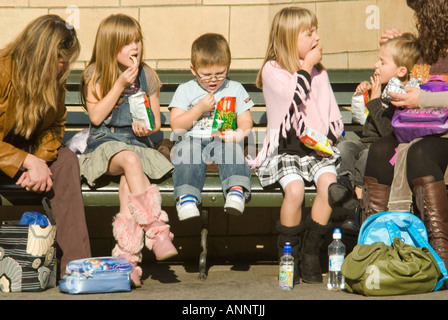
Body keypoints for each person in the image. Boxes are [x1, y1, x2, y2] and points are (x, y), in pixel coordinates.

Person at [247, 7, 344, 284]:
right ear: (290, 39)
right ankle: (290, 254)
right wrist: (305, 67)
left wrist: (328, 141)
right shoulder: (272, 70)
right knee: (295, 189)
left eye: (316, 31)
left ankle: (312, 252)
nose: (317, 38)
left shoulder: (318, 72)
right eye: (309, 33)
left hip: (314, 150)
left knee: (329, 186)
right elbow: (293, 99)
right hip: (285, 149)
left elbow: (327, 112)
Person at [78, 14, 177, 287]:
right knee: (130, 161)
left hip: (136, 145)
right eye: (126, 43)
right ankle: (157, 230)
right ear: (110, 47)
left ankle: (127, 262)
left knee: (128, 183)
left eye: (137, 41)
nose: (135, 47)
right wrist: (120, 84)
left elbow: (156, 121)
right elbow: (96, 117)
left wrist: (148, 128)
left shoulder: (147, 75)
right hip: (106, 146)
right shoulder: (95, 74)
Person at [0, 15, 91, 275]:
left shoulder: (54, 80)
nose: (64, 68)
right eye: (61, 62)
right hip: (7, 154)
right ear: (41, 54)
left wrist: (39, 161)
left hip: (26, 153)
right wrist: (27, 161)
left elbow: (54, 126)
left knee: (65, 162)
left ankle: (75, 268)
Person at [363, 0, 448, 268]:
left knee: (420, 154)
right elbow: (405, 85)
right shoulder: (425, 51)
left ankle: (438, 256)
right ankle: (374, 249)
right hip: (420, 128)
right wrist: (399, 47)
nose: (417, 22)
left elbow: (421, 96)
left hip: (442, 135)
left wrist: (422, 99)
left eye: (420, 16)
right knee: (379, 149)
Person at [337, 32, 420, 233]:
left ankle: (356, 207)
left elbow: (387, 131)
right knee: (344, 147)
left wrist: (375, 102)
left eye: (382, 62)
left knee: (367, 156)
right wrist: (362, 96)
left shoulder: (402, 93)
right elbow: (362, 119)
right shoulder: (381, 87)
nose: (376, 65)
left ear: (400, 71)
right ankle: (343, 189)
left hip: (382, 150)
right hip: (365, 142)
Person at [169, 33, 254, 220]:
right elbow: (176, 126)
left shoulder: (235, 88)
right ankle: (187, 198)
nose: (213, 80)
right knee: (187, 152)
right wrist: (199, 108)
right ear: (193, 70)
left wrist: (239, 133)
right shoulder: (186, 90)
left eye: (220, 73)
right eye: (206, 75)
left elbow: (246, 120)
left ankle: (236, 191)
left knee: (232, 150)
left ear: (228, 67)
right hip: (193, 138)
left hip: (223, 137)